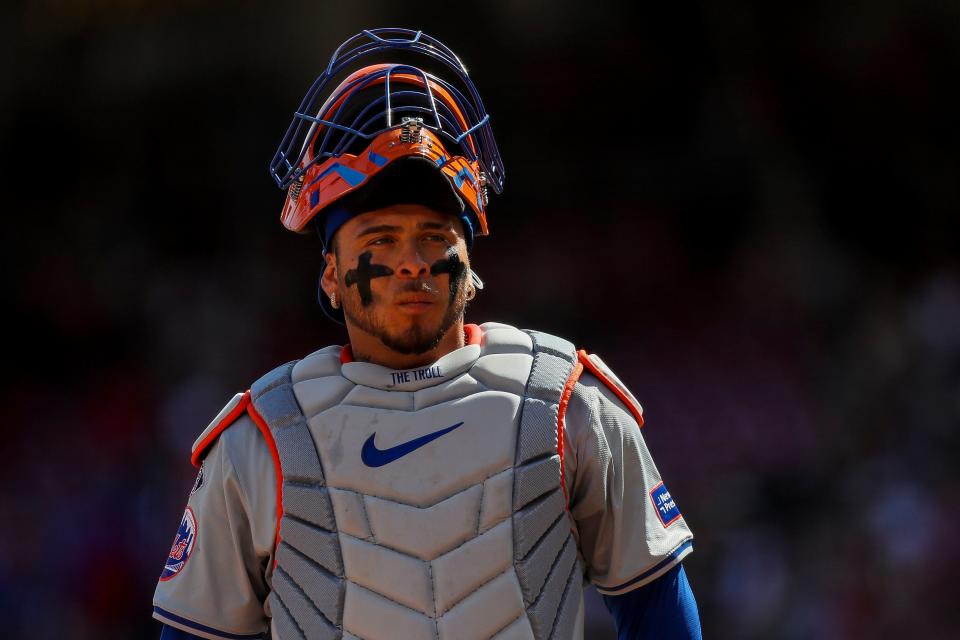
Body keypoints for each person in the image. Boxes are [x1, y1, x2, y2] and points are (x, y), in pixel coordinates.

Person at [152, 28, 702, 640]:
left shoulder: (567, 401)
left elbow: (657, 610)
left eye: (435, 236)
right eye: (379, 239)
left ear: (470, 265)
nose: (411, 261)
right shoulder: (261, 439)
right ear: (330, 275)